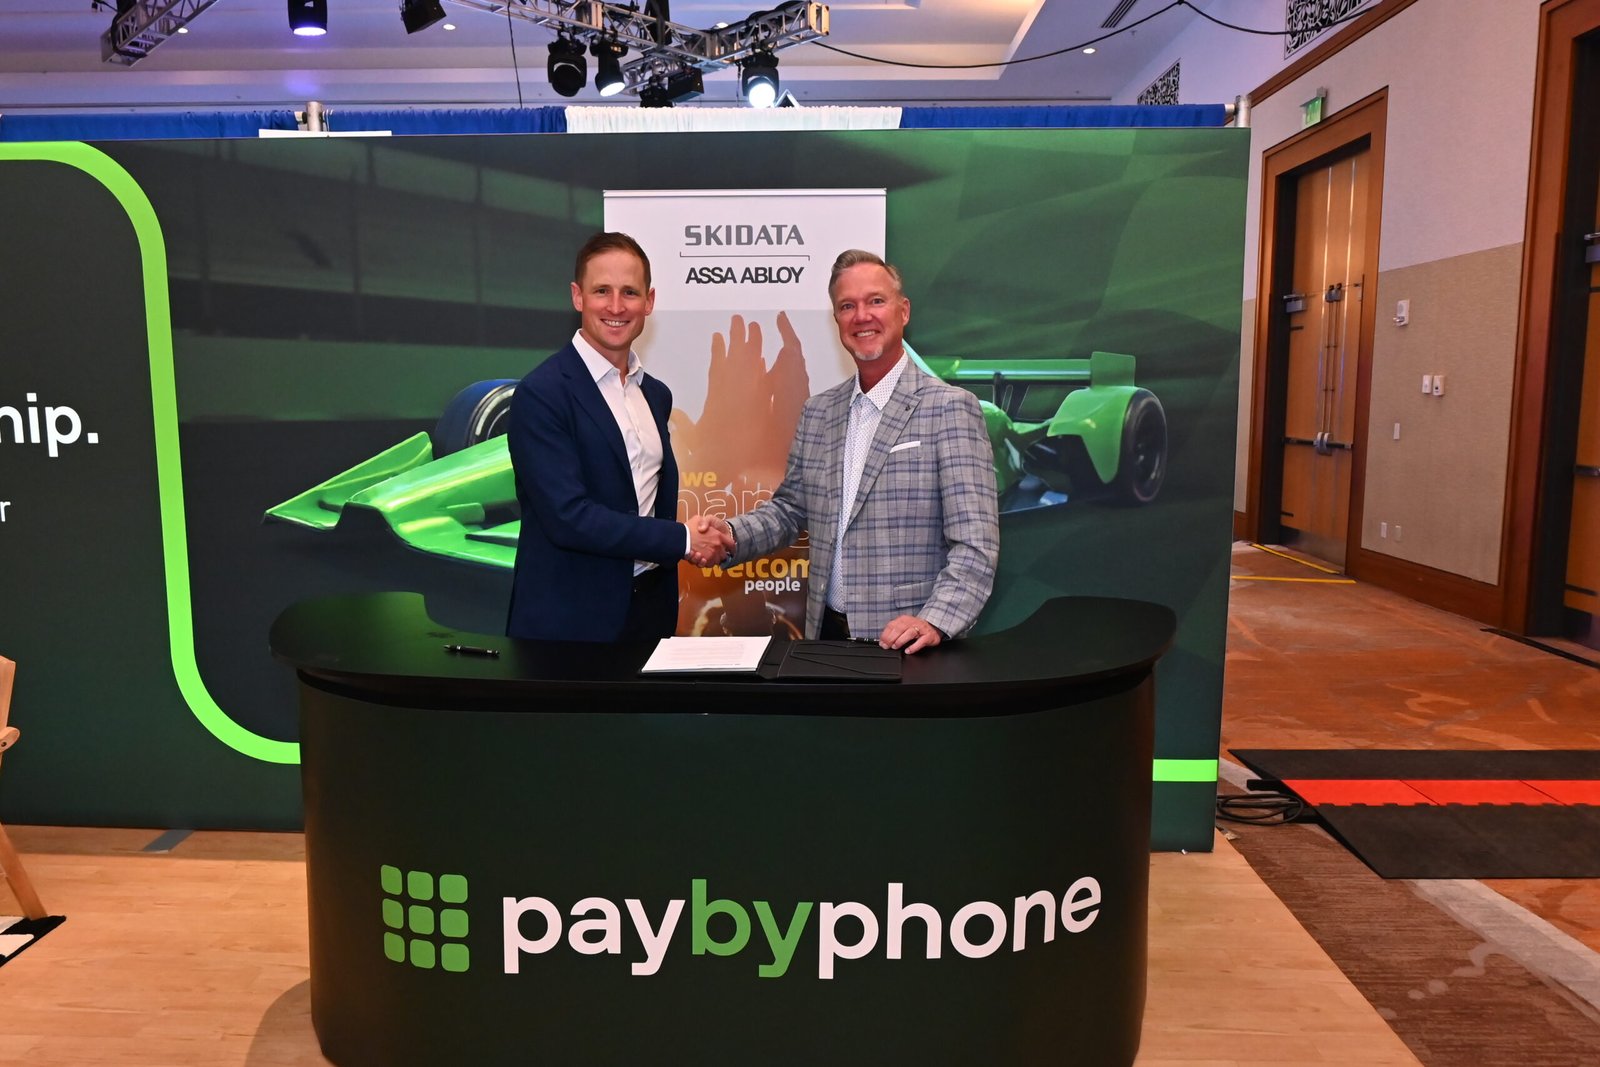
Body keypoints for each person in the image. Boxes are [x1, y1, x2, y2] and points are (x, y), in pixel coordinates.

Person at [699, 249, 999, 653]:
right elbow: (790, 510)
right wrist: (731, 534)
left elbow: (976, 544)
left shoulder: (949, 408)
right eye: (847, 306)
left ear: (903, 311)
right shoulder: (818, 412)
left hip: (908, 646)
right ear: (837, 319)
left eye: (875, 301)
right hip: (824, 638)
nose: (862, 316)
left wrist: (934, 620)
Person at [506, 231, 725, 642]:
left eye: (630, 292)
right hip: (569, 625)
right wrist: (682, 539)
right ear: (578, 296)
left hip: (650, 614)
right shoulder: (542, 394)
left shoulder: (655, 394)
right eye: (601, 291)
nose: (616, 306)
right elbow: (568, 517)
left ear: (649, 301)